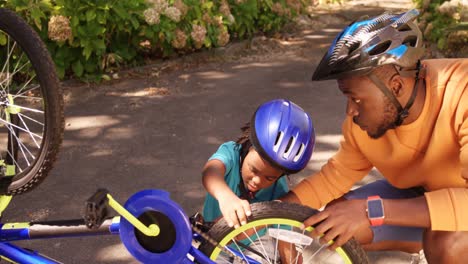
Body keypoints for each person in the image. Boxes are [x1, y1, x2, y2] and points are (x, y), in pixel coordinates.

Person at [280, 9, 468, 263]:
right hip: (429, 196)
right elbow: (333, 178)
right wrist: (279, 216)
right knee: (336, 221)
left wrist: (373, 211)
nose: (350, 111)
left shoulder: (462, 92)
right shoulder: (361, 123)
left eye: (357, 99)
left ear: (397, 86)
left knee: (449, 243)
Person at [201, 98, 315, 229]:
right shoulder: (231, 153)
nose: (257, 181)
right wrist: (226, 197)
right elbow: (210, 172)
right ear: (249, 144)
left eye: (269, 178)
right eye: (253, 170)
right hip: (212, 235)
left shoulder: (278, 187)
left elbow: (281, 226)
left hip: (255, 242)